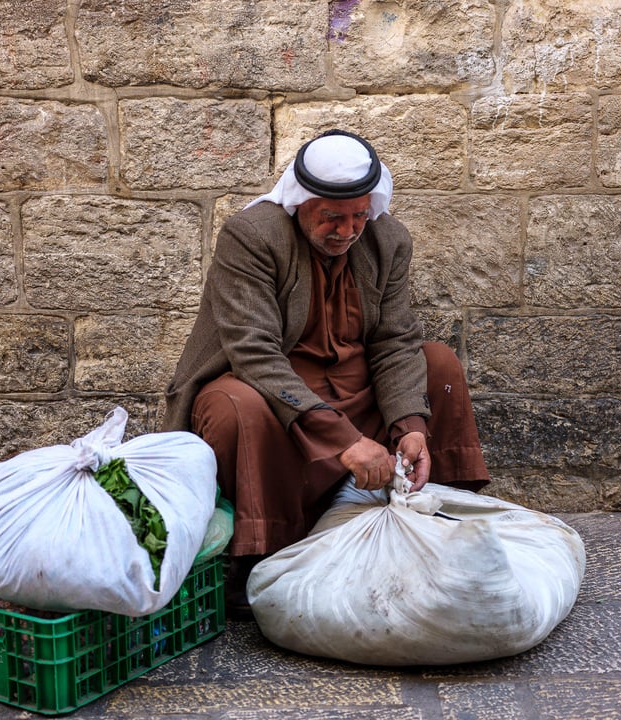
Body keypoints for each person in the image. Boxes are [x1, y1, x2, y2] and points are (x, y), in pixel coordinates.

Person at [162, 129, 490, 615]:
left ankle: (434, 523)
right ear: (301, 205)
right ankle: (258, 562)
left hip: (354, 387)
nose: (347, 230)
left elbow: (395, 341)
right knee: (235, 408)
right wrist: (343, 440)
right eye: (332, 218)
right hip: (274, 392)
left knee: (437, 361)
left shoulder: (387, 240)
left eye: (359, 215)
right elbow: (254, 353)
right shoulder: (252, 237)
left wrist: (411, 426)